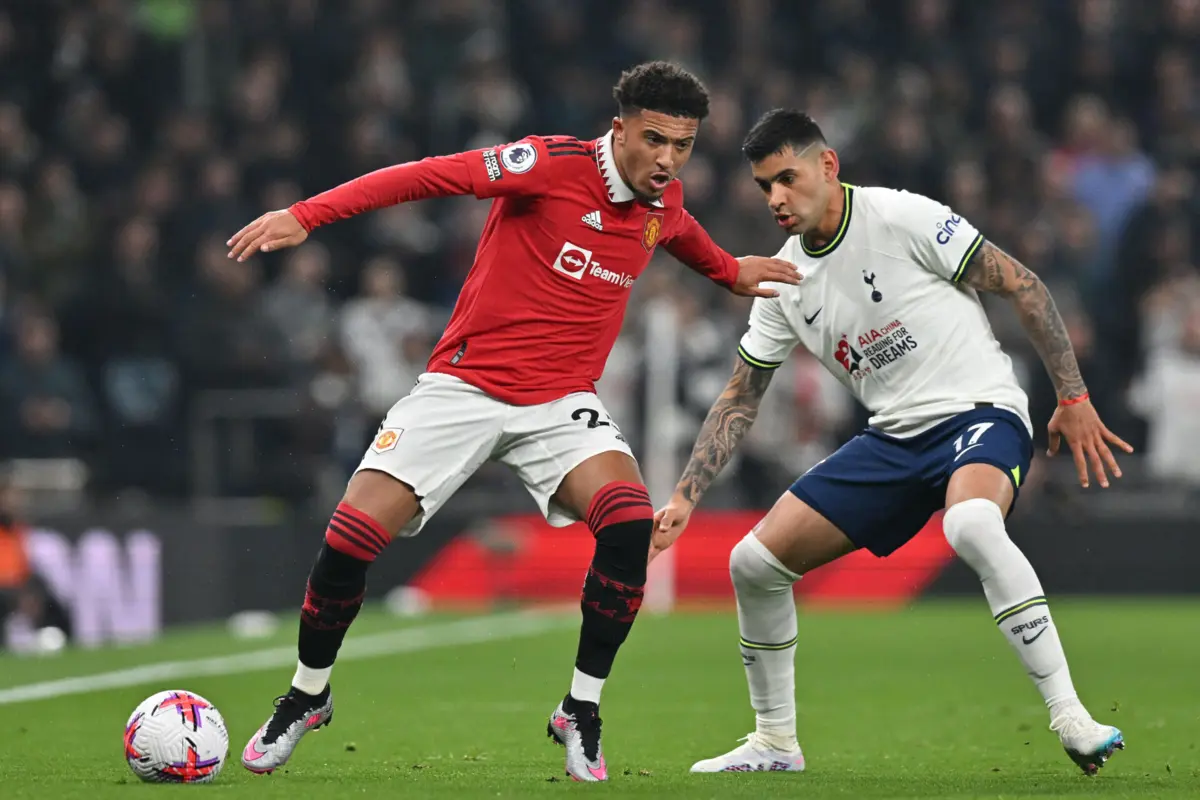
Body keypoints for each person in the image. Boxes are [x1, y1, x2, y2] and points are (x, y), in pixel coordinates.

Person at [225, 62, 799, 782]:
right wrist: (306, 215)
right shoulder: (547, 164)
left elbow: (688, 241)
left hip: (561, 401)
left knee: (626, 527)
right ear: (619, 129)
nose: (667, 160)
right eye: (654, 140)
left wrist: (734, 270)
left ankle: (580, 710)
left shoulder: (665, 202)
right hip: (463, 385)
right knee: (349, 538)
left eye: (682, 146)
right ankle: (307, 696)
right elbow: (426, 176)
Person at [651, 109, 1133, 776]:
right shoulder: (782, 281)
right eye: (765, 187)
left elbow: (1021, 283)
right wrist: (685, 493)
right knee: (752, 565)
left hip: (978, 413)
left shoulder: (900, 217)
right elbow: (741, 395)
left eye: (787, 178)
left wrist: (1072, 396)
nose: (776, 200)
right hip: (894, 442)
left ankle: (1072, 717)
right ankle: (774, 741)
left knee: (970, 523)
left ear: (828, 166)